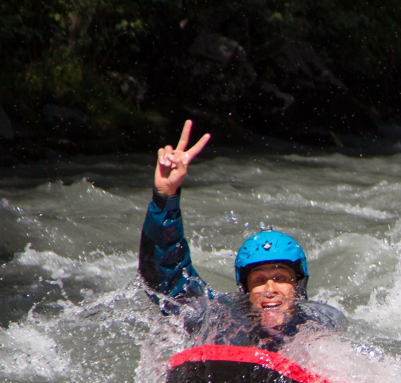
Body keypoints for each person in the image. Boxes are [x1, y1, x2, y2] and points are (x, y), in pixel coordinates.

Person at [140, 121, 347, 352]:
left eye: (280, 278)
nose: (270, 289)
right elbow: (168, 279)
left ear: (297, 287)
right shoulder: (223, 317)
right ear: (246, 291)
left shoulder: (318, 322)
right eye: (259, 280)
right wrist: (165, 196)